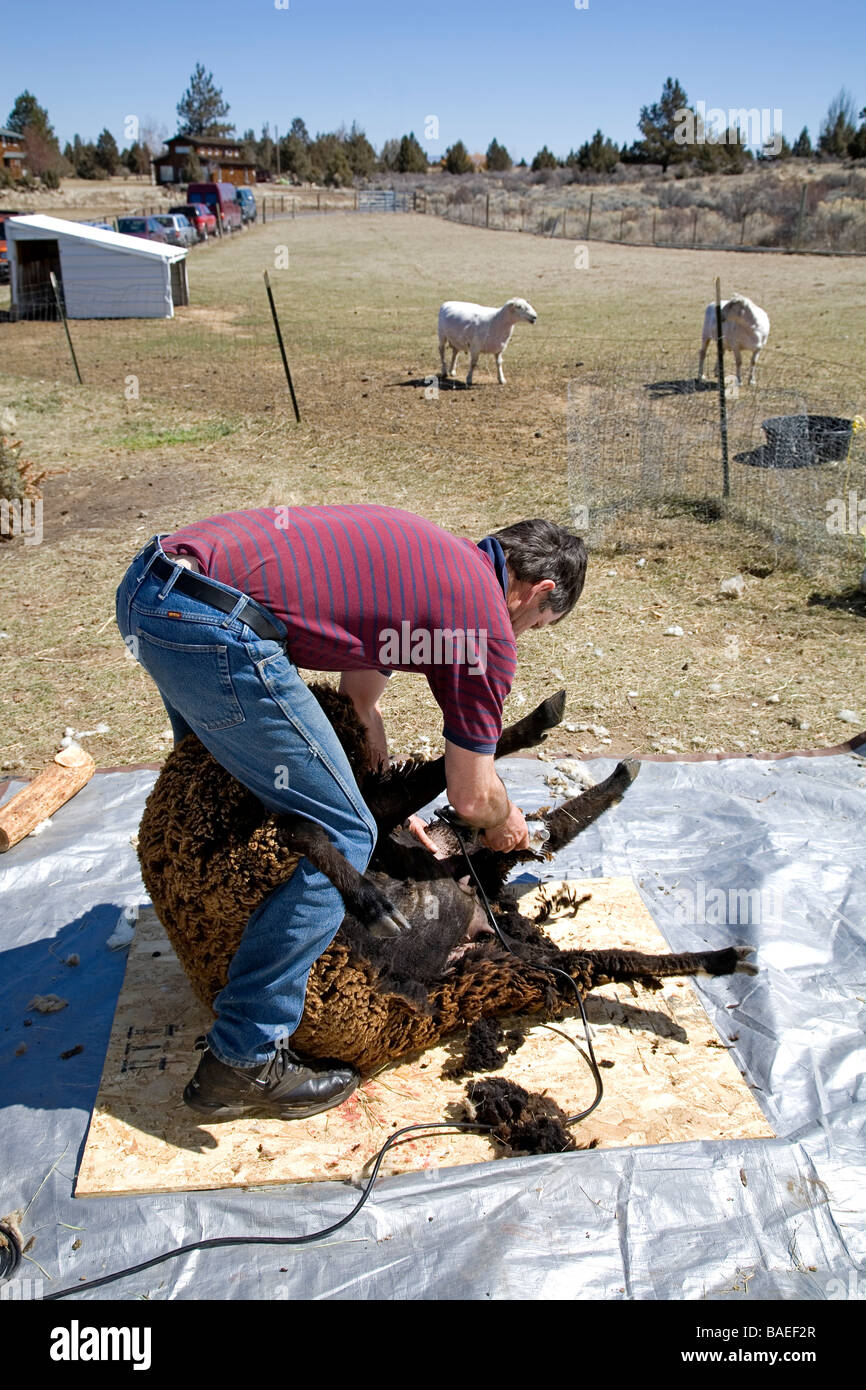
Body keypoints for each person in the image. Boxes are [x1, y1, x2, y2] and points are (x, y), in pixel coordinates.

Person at [115, 505, 587, 1121]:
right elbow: (472, 798)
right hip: (211, 623)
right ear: (539, 590)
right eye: (537, 625)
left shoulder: (430, 565)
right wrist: (505, 821)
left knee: (229, 780)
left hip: (153, 588)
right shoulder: (485, 627)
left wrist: (379, 794)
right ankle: (245, 1054)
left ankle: (237, 930)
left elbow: (359, 701)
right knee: (343, 830)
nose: (521, 637)